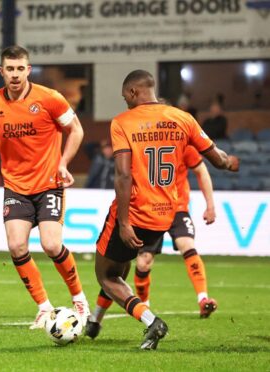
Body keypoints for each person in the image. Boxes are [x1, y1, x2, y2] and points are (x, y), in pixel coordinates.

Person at [86, 70, 239, 350]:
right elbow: (217, 160)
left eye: (125, 98)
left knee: (106, 274)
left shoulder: (123, 122)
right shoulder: (183, 118)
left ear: (133, 93)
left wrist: (122, 222)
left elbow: (122, 176)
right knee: (121, 267)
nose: (125, 103)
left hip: (134, 212)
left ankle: (150, 320)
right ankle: (94, 321)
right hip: (164, 216)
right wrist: (231, 163)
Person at [0, 45, 89, 329]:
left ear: (28, 70)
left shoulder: (50, 98)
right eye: (10, 69)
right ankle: (44, 308)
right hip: (15, 186)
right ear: (1, 71)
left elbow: (75, 129)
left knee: (51, 244)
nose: (15, 75)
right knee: (17, 246)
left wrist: (64, 163)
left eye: (20, 69)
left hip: (49, 183)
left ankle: (79, 298)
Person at [87, 146, 221, 343]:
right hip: (153, 209)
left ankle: (202, 298)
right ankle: (142, 307)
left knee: (185, 245)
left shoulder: (179, 144)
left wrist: (210, 204)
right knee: (141, 264)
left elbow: (201, 169)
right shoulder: (169, 138)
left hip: (167, 209)